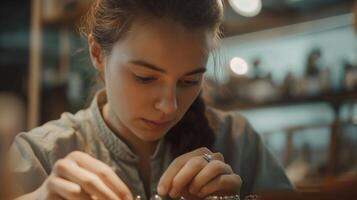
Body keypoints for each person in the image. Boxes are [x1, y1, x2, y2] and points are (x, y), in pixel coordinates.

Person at [10, 0, 293, 199]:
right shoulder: (42, 154)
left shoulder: (238, 142)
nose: (169, 106)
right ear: (97, 53)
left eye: (189, 81)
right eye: (145, 77)